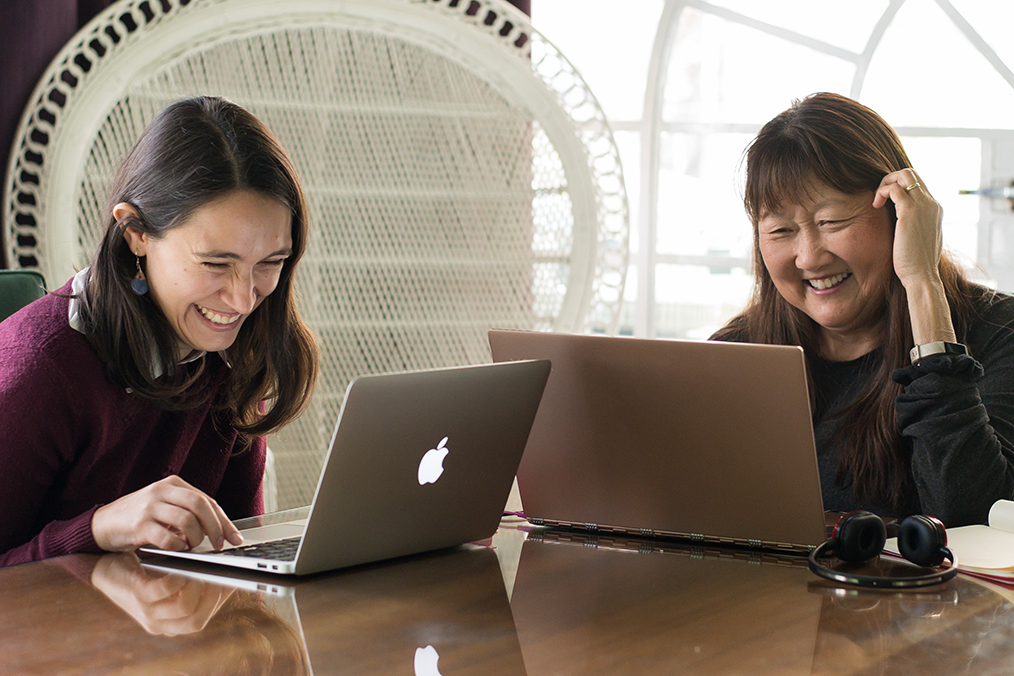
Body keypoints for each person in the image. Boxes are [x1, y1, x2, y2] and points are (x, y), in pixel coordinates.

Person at [0, 96, 319, 566]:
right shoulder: (41, 371)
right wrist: (96, 529)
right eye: (215, 263)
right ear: (134, 233)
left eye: (270, 263)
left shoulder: (228, 360)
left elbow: (237, 557)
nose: (242, 299)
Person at [712, 92, 1014, 527]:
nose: (809, 257)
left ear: (899, 214)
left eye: (830, 221)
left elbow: (972, 526)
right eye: (781, 230)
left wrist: (922, 283)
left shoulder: (998, 333)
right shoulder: (738, 353)